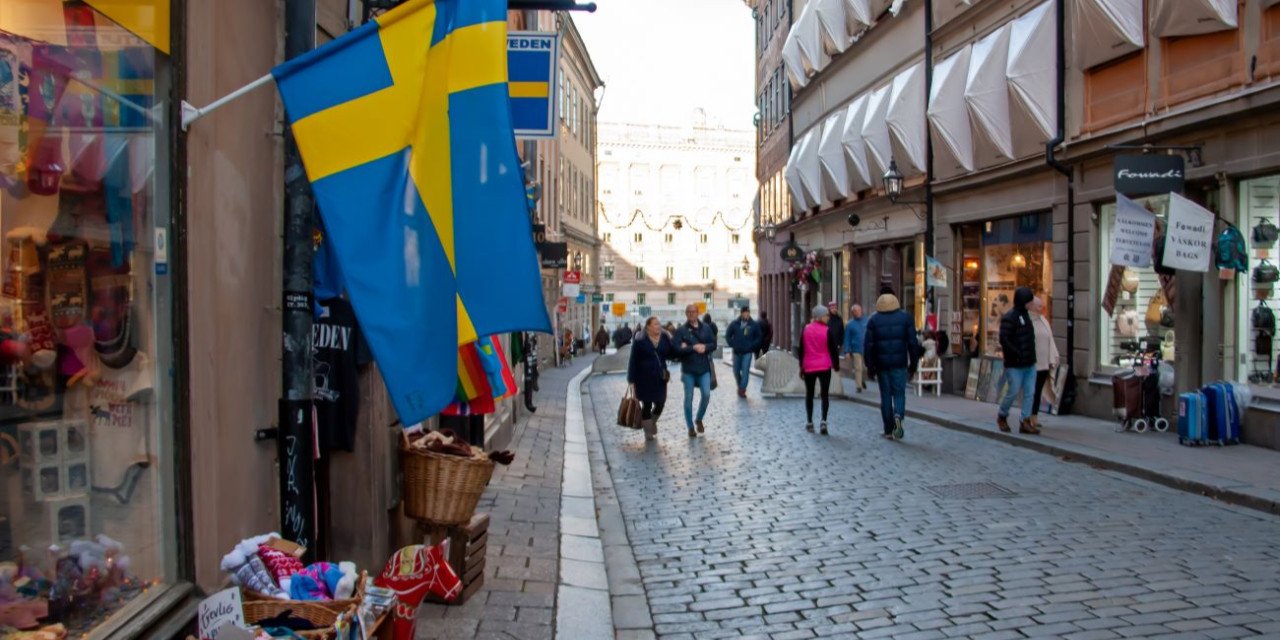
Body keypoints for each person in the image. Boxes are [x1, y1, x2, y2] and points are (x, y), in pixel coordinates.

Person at [864, 289, 921, 440]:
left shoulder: (873, 320)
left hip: (882, 366)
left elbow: (869, 346)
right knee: (899, 394)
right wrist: (913, 364)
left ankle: (888, 429)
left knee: (886, 396)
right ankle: (898, 417)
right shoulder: (905, 318)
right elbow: (912, 343)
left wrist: (869, 367)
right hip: (900, 364)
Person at [997, 287, 1040, 434]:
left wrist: (1030, 356)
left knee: (1030, 392)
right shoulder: (1010, 317)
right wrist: (1017, 353)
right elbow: (1004, 339)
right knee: (1013, 391)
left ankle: (1025, 421)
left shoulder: (1026, 316)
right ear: (1023, 302)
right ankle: (1002, 415)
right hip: (1015, 364)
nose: (1031, 304)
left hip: (1029, 363)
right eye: (1029, 301)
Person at [627, 316, 676, 440]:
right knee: (647, 404)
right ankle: (648, 432)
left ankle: (651, 422)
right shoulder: (639, 339)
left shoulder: (665, 337)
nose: (659, 326)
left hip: (660, 377)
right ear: (648, 326)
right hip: (643, 378)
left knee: (660, 402)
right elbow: (633, 360)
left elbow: (672, 353)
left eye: (659, 324)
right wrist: (631, 380)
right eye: (655, 324)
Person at [674, 305, 717, 438]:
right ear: (686, 314)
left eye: (694, 312)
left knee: (706, 394)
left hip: (704, 368)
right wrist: (692, 348)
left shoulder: (706, 328)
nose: (691, 314)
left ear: (698, 313)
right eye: (689, 312)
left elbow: (713, 344)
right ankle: (690, 427)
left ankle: (699, 418)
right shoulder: (681, 330)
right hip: (688, 370)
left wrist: (705, 347)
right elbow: (676, 349)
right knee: (688, 398)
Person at [795, 305, 834, 434]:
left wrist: (801, 366)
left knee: (809, 395)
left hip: (809, 366)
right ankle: (823, 421)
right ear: (820, 316)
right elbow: (833, 349)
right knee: (824, 394)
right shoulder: (827, 330)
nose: (828, 318)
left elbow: (801, 349)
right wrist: (836, 364)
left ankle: (810, 422)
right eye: (826, 315)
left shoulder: (806, 329)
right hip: (824, 366)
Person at [1029, 295, 1059, 430]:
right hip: (1032, 363)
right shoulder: (1027, 320)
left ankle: (1034, 416)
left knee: (1038, 390)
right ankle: (1027, 417)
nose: (1042, 308)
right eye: (1039, 306)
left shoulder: (1043, 320)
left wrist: (1053, 357)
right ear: (1032, 306)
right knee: (1031, 391)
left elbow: (1050, 339)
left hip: (1044, 363)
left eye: (1042, 306)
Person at [726, 306, 761, 398]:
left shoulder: (754, 325)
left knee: (745, 371)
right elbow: (728, 336)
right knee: (736, 371)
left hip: (747, 352)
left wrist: (752, 346)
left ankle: (742, 389)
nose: (746, 314)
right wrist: (733, 344)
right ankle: (740, 385)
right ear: (741, 313)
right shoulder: (734, 324)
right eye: (745, 313)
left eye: (748, 313)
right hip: (737, 352)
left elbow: (759, 337)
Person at [842, 304, 869, 393]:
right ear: (852, 313)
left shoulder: (867, 321)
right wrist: (847, 351)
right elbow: (847, 338)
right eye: (855, 311)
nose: (857, 313)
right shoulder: (850, 324)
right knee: (858, 368)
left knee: (865, 368)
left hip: (867, 348)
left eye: (858, 311)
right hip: (856, 349)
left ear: (861, 311)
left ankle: (862, 380)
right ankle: (858, 386)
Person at [825, 301, 844, 374]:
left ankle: (834, 372)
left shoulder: (839, 319)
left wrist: (840, 342)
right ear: (829, 309)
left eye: (835, 308)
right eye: (832, 308)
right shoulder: (827, 318)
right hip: (827, 343)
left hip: (836, 343)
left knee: (835, 359)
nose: (834, 309)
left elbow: (842, 331)